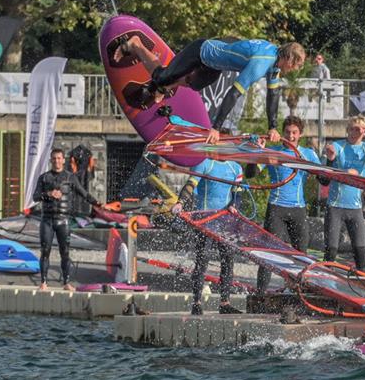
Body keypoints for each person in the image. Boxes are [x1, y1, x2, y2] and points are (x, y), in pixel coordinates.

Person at [114, 37, 306, 144]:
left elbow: (272, 96)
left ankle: (164, 87)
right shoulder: (261, 64)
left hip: (213, 66)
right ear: (289, 59)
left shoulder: (275, 62)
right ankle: (136, 46)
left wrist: (272, 126)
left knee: (193, 85)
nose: (295, 70)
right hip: (201, 52)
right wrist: (215, 127)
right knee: (161, 76)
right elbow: (234, 93)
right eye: (296, 65)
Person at [245, 115, 322, 293]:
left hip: (299, 210)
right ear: (283, 133)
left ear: (300, 134)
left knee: (301, 256)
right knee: (270, 254)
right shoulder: (273, 152)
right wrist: (255, 154)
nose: (291, 136)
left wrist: (330, 162)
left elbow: (324, 180)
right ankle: (261, 294)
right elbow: (251, 173)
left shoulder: (309, 154)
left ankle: (297, 294)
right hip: (277, 209)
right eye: (287, 132)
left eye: (294, 133)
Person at [173, 158, 243, 315]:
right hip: (204, 220)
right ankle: (196, 302)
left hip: (225, 221)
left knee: (228, 259)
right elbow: (190, 185)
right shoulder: (204, 163)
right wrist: (180, 202)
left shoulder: (236, 167)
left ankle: (225, 303)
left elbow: (237, 194)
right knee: (202, 259)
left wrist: (234, 205)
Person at [33, 148, 105, 292]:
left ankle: (66, 282)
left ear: (63, 160)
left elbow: (84, 193)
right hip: (47, 220)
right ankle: (43, 283)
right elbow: (35, 197)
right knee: (45, 251)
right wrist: (48, 193)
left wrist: (97, 203)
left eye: (59, 158)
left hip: (63, 220)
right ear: (51, 160)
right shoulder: (44, 177)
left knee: (65, 252)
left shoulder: (70, 177)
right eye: (54, 158)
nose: (56, 161)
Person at [323, 116, 365, 270]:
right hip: (335, 206)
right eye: (352, 128)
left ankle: (361, 284)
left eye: (359, 129)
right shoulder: (338, 146)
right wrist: (337, 165)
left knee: (360, 251)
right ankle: (323, 281)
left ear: (364, 132)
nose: (354, 132)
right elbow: (326, 175)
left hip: (355, 208)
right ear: (347, 130)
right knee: (331, 250)